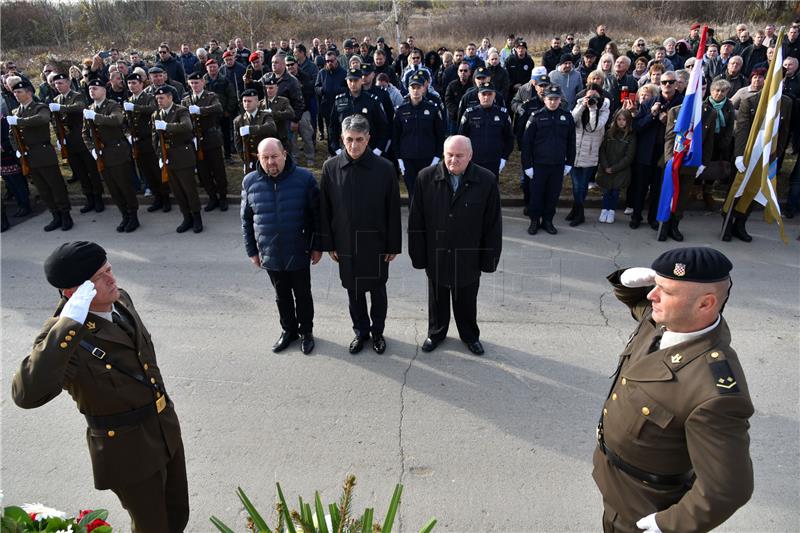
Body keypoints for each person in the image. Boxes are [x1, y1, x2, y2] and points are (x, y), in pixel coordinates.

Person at [12, 241, 189, 532]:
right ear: (73, 293)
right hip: (128, 448)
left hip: (164, 427)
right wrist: (67, 324)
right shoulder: (64, 339)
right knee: (153, 526)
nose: (112, 280)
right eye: (99, 278)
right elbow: (25, 394)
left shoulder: (121, 302)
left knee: (178, 514)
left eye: (109, 269)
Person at [594, 247, 753, 533]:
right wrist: (624, 279)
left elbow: (729, 488)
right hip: (614, 485)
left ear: (705, 304)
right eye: (654, 285)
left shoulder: (715, 393)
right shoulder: (666, 320)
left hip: (644, 507)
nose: (651, 295)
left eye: (665, 291)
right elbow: (637, 302)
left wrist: (669, 525)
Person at [408, 135, 501, 356]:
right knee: (437, 298)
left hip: (469, 256)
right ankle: (436, 333)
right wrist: (418, 256)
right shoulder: (426, 177)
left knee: (467, 299)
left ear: (470, 156)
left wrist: (489, 259)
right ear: (443, 154)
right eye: (449, 155)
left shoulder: (486, 180)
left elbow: (493, 225)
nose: (453, 160)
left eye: (460, 156)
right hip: (437, 254)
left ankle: (469, 335)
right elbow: (416, 221)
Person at [319, 114, 401, 355]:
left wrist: (393, 245)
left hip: (376, 243)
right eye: (349, 140)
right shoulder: (331, 167)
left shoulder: (384, 168)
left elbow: (393, 210)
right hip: (345, 243)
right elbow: (325, 208)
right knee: (353, 291)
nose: (353, 145)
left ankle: (377, 332)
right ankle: (361, 332)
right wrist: (329, 243)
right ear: (341, 139)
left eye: (359, 139)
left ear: (368, 139)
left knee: (377, 291)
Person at [242, 138, 321, 355]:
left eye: (274, 156)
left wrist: (317, 246)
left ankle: (306, 332)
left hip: (299, 249)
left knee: (303, 294)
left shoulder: (304, 179)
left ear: (284, 154)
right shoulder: (250, 182)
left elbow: (317, 216)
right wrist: (252, 251)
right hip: (270, 252)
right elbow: (246, 220)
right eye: (265, 158)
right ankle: (289, 331)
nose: (270, 162)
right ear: (258, 158)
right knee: (281, 295)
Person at [7, 77, 73, 231]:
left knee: (55, 185)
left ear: (29, 93)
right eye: (15, 92)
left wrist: (19, 122)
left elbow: (43, 119)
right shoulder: (15, 112)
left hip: (43, 153)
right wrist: (18, 149)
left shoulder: (39, 107)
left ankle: (65, 214)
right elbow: (11, 135)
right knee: (42, 188)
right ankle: (55, 215)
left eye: (19, 92)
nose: (16, 94)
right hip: (28, 156)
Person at [82, 78, 139, 232]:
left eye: (95, 88)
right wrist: (92, 149)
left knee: (124, 186)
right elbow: (85, 134)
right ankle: (124, 215)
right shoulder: (89, 108)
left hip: (117, 151)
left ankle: (133, 216)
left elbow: (117, 120)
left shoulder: (112, 105)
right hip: (102, 155)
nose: (92, 91)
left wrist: (95, 117)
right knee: (113, 188)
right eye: (90, 89)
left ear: (104, 91)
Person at [522, 85, 576, 235]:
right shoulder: (536, 117)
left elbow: (571, 142)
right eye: (550, 99)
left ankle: (548, 221)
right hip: (539, 165)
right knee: (536, 195)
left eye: (556, 99)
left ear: (560, 100)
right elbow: (527, 144)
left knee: (553, 195)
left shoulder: (567, 117)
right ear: (544, 99)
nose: (553, 102)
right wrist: (527, 166)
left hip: (558, 165)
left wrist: (569, 163)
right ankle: (534, 221)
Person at [50, 73, 105, 214]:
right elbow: (56, 123)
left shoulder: (77, 95)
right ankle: (89, 198)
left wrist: (61, 108)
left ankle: (98, 198)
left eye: (61, 83)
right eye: (56, 84)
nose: (58, 86)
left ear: (68, 83)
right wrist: (59, 139)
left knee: (91, 169)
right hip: (68, 140)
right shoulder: (56, 99)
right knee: (79, 171)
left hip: (81, 138)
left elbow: (79, 107)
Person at [152, 85, 202, 234]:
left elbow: (187, 126)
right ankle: (186, 217)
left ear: (170, 97)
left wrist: (167, 126)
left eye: (162, 98)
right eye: (157, 99)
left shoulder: (180, 110)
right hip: (168, 158)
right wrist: (160, 155)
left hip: (183, 155)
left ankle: (197, 217)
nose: (159, 101)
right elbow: (154, 139)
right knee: (177, 191)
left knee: (189, 189)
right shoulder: (156, 115)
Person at [125, 72, 171, 214]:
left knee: (156, 171)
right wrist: (127, 134)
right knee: (146, 172)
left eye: (134, 83)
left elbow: (153, 109)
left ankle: (166, 199)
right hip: (136, 142)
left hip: (149, 140)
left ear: (141, 84)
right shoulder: (129, 100)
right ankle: (157, 198)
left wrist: (135, 108)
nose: (132, 86)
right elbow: (126, 121)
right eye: (129, 83)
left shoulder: (148, 98)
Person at [393, 73, 445, 196]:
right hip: (408, 160)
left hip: (428, 159)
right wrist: (399, 159)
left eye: (418, 87)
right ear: (408, 88)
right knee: (412, 193)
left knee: (428, 194)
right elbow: (395, 136)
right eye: (413, 87)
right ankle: (413, 216)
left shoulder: (433, 109)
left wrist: (437, 158)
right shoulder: (401, 110)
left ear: (423, 88)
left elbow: (440, 135)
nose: (415, 90)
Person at [182, 72, 228, 212]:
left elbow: (218, 108)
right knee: (203, 171)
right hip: (196, 140)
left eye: (197, 82)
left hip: (211, 137)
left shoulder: (210, 96)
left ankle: (223, 197)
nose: (195, 85)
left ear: (203, 82)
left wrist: (200, 110)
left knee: (218, 169)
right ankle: (212, 197)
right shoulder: (186, 100)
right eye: (192, 83)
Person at [567, 84, 610, 226]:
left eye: (594, 96)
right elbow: (571, 120)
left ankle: (579, 214)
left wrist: (593, 108)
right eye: (589, 95)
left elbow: (594, 127)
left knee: (582, 185)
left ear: (600, 96)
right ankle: (576, 210)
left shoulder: (604, 108)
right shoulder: (580, 103)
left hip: (590, 153)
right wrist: (582, 105)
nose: (591, 98)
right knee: (575, 184)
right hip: (575, 150)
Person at [458, 82, 513, 179]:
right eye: (483, 94)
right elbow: (461, 138)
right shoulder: (469, 113)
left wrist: (504, 158)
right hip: (473, 160)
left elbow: (509, 138)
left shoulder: (502, 114)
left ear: (494, 95)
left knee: (491, 191)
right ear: (478, 95)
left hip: (494, 161)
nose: (486, 97)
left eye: (489, 94)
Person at [328, 68, 388, 156]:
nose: (353, 83)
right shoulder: (339, 100)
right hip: (345, 149)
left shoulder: (372, 100)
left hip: (369, 150)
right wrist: (337, 149)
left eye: (356, 80)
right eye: (350, 80)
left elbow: (383, 127)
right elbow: (332, 127)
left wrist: (378, 150)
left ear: (361, 81)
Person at [597, 109, 637, 223]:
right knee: (606, 191)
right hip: (606, 168)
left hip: (620, 170)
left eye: (624, 120)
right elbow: (602, 151)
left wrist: (614, 168)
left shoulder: (630, 136)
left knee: (615, 192)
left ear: (628, 121)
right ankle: (604, 209)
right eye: (619, 119)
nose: (621, 122)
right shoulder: (609, 133)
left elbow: (629, 157)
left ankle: (611, 211)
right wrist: (605, 166)